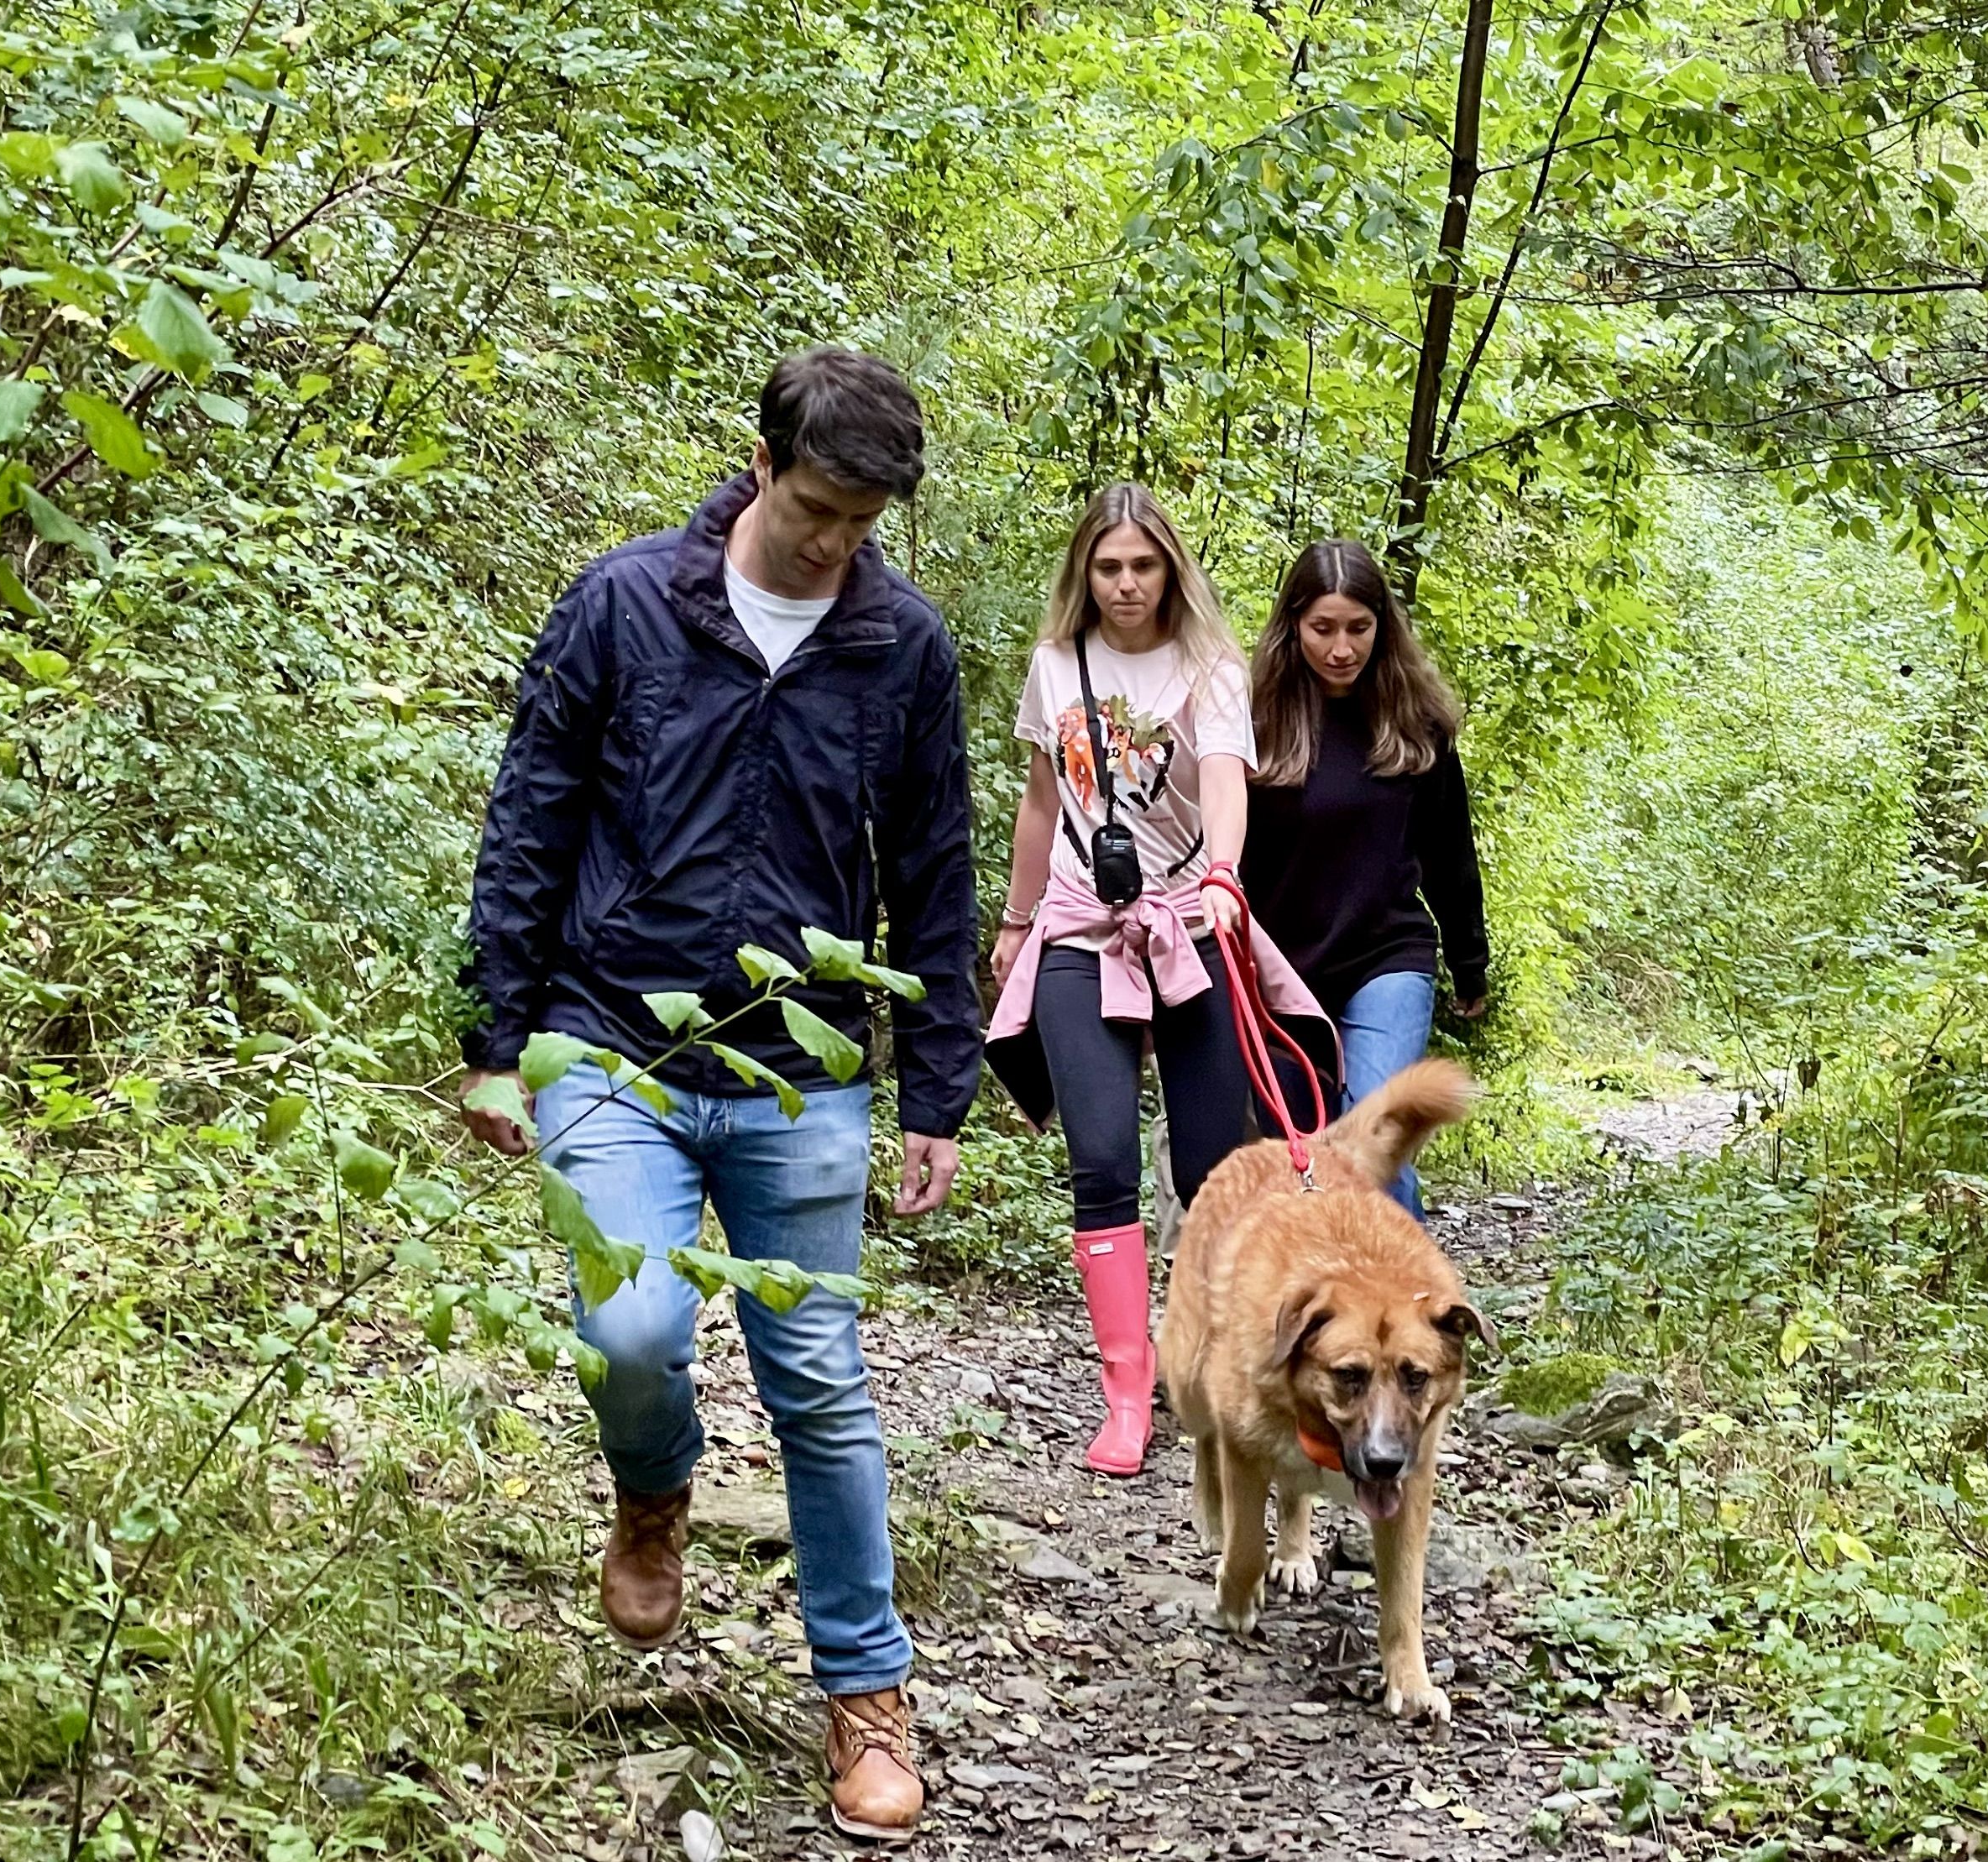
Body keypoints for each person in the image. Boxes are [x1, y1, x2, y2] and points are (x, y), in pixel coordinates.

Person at [456, 348, 975, 1846]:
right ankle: (652, 1485)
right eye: (818, 506)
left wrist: (934, 1089)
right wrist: (499, 1036)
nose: (834, 542)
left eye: (864, 520)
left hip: (801, 1071)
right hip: (610, 1040)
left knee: (819, 1381)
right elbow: (532, 812)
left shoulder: (903, 651)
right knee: (629, 1330)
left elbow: (931, 874)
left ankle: (867, 1697)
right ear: (760, 463)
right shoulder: (625, 603)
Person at [984, 484, 1332, 1478]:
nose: (1127, 584)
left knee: (1212, 1172)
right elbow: (1042, 803)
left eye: (1142, 566)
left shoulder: (1209, 667)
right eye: (1108, 567)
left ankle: (1219, 1370)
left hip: (1186, 920)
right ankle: (1126, 1401)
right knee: (1099, 1161)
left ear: (1169, 569)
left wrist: (1223, 875)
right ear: (1083, 574)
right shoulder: (1057, 665)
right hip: (1078, 926)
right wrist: (1014, 924)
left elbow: (1224, 782)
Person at [1242, 539, 1489, 1218]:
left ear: (1383, 627)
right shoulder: (1250, 723)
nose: (1341, 648)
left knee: (1375, 1138)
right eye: (1323, 629)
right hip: (1280, 970)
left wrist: (1470, 963)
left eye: (1359, 628)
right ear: (1293, 625)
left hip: (1386, 959)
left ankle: (1410, 1310)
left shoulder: (1416, 725)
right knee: (1298, 1154)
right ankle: (1322, 1314)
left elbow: (1448, 851)